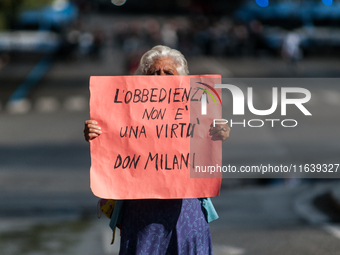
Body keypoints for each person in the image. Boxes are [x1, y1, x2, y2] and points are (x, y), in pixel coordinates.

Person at [84, 45, 230, 255]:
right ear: (142, 78)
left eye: (168, 72)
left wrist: (221, 132)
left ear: (181, 77)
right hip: (141, 214)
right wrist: (94, 133)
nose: (161, 77)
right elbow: (110, 141)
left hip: (185, 210)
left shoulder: (197, 106)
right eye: (154, 72)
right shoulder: (125, 111)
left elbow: (212, 136)